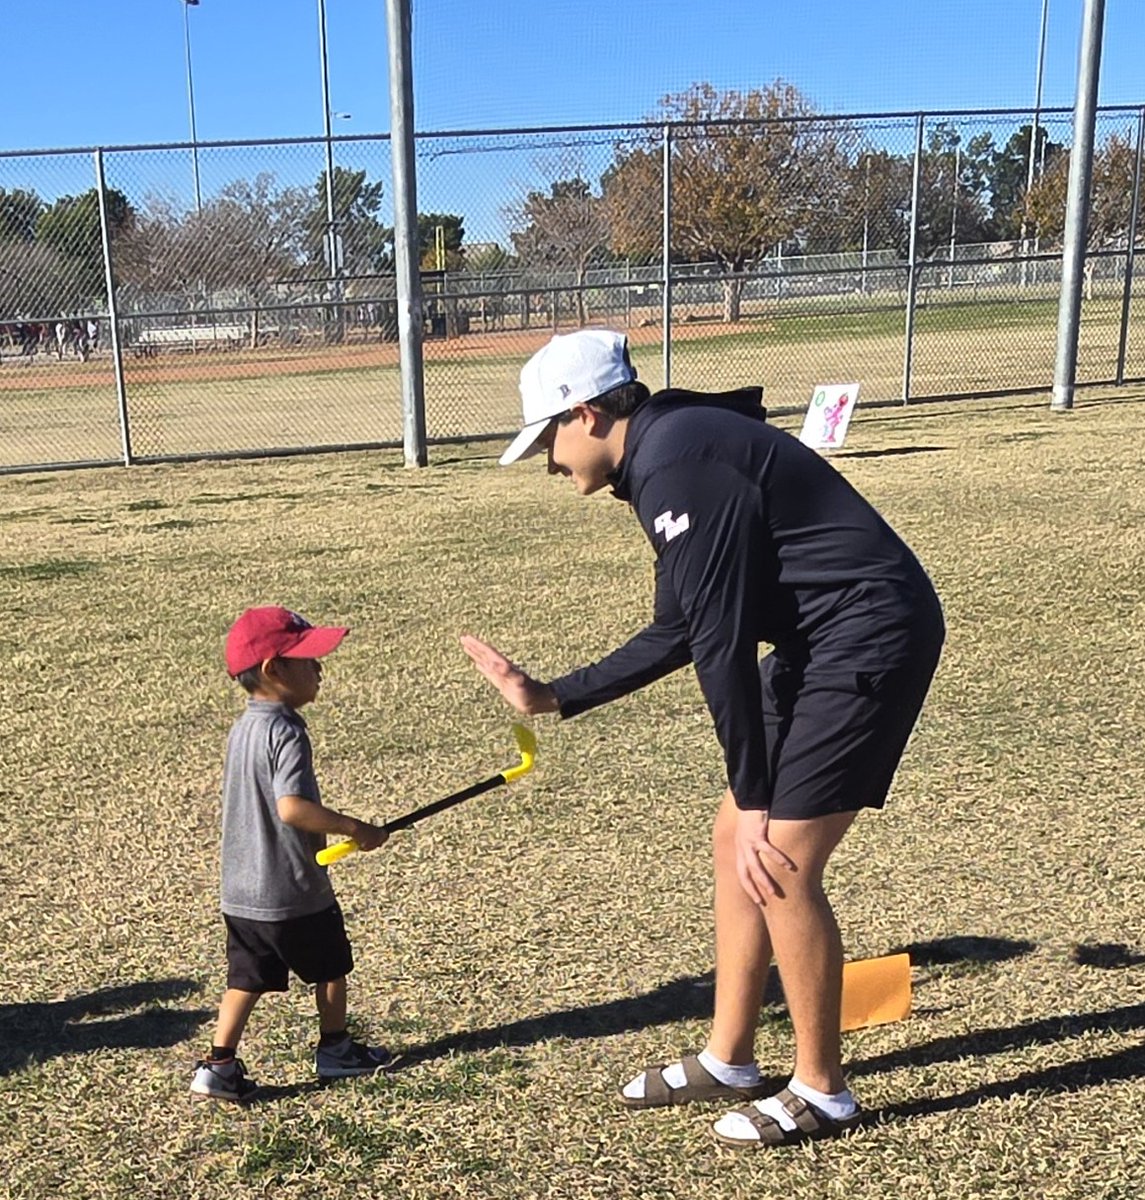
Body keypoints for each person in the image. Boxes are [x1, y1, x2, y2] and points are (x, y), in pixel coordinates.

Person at [462, 329, 945, 1149]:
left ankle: (822, 1090)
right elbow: (678, 627)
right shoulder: (662, 458)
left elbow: (720, 649)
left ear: (585, 414)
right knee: (734, 839)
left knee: (778, 863)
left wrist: (761, 799)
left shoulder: (676, 461)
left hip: (869, 635)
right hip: (817, 642)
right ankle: (729, 1058)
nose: (548, 460)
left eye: (548, 438)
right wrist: (552, 694)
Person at [190, 605, 393, 1102]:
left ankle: (218, 1065)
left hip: (241, 890)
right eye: (307, 660)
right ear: (273, 670)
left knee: (247, 977)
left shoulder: (243, 728)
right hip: (292, 889)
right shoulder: (286, 729)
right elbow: (292, 808)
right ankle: (336, 1049)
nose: (319, 668)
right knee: (330, 966)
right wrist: (355, 827)